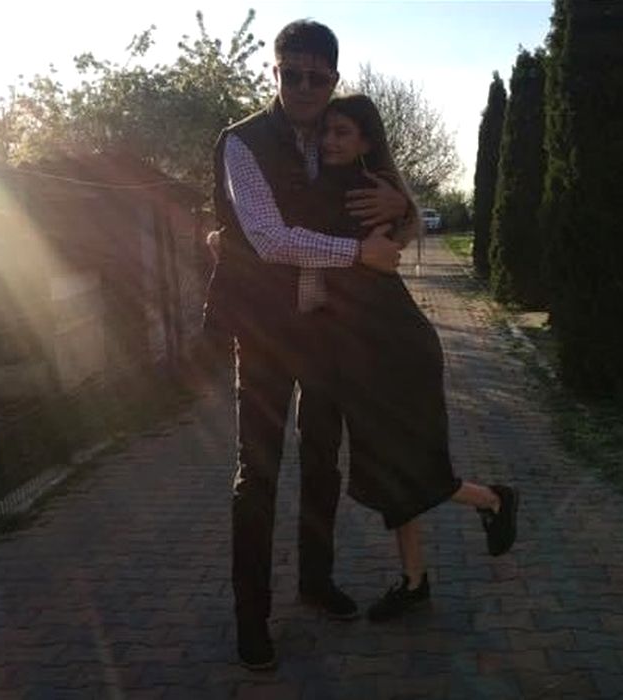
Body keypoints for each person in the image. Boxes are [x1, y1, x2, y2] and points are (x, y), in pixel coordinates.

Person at [202, 22, 413, 670]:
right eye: (290, 73)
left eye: (315, 77)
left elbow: (392, 209)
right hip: (264, 332)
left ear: (332, 80)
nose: (301, 87)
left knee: (323, 463)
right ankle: (251, 617)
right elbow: (268, 238)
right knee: (257, 475)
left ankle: (316, 582)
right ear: (274, 72)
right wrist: (356, 253)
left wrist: (401, 208)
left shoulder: (341, 136)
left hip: (327, 330)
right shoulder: (241, 142)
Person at [310, 94, 521, 622]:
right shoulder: (346, 185)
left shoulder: (359, 190)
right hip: (364, 349)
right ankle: (414, 580)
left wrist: (402, 207)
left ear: (365, 140)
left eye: (342, 132)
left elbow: (326, 247)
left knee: (410, 466)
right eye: (326, 131)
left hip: (393, 347)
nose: (329, 140)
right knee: (389, 470)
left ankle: (493, 500)